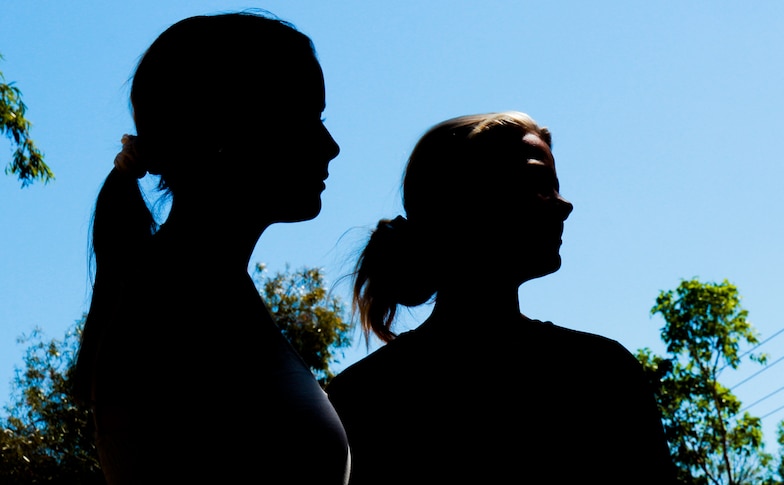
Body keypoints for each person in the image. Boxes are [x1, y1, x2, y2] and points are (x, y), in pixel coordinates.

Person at [72, 12, 350, 484]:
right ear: (228, 131)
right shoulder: (177, 306)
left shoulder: (194, 289)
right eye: (306, 120)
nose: (331, 146)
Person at [325, 112, 675, 484]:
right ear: (466, 198)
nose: (564, 205)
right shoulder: (599, 374)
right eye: (539, 183)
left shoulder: (363, 393)